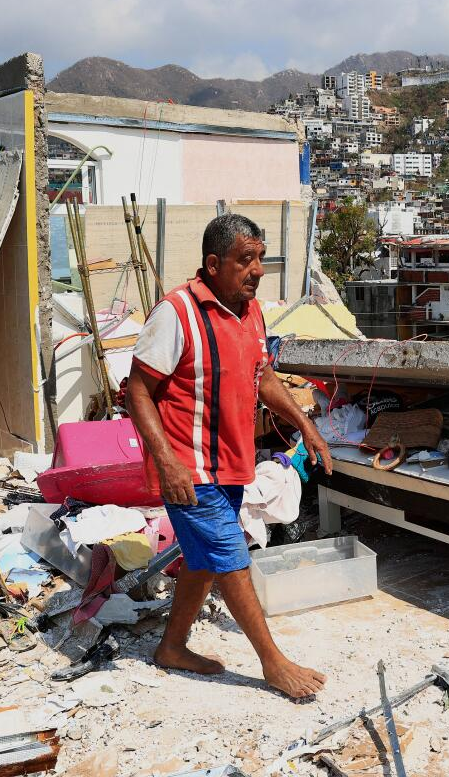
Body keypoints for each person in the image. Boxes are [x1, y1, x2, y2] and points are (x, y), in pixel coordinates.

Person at [126, 213, 332, 698]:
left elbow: (263, 378)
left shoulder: (250, 310)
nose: (257, 269)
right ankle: (272, 663)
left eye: (260, 258)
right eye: (246, 259)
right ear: (214, 264)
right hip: (189, 467)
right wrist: (168, 460)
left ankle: (172, 647)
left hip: (232, 463)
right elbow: (138, 391)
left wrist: (308, 426)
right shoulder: (176, 313)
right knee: (231, 555)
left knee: (202, 560)